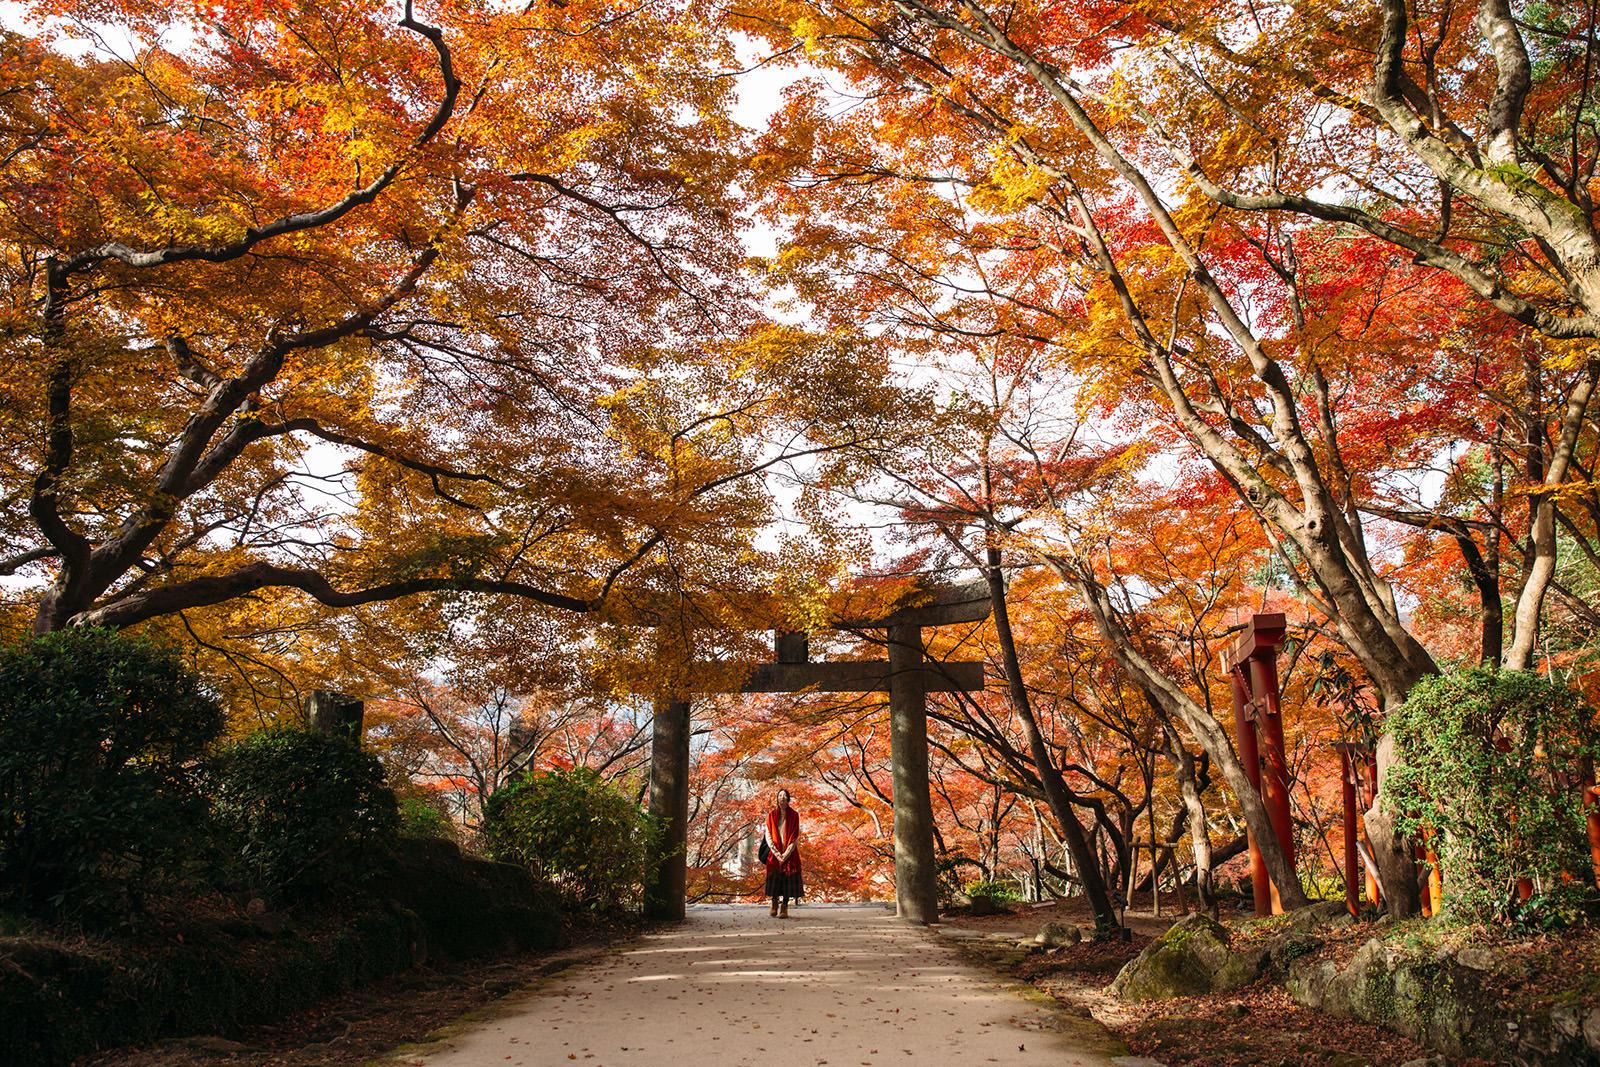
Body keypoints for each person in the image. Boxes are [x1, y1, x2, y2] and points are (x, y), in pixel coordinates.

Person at [763, 788, 803, 918]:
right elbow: (768, 836)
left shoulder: (794, 815)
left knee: (787, 878)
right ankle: (774, 903)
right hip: (775, 853)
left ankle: (784, 907)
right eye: (780, 795)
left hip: (790, 852)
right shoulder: (770, 815)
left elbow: (795, 836)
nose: (782, 797)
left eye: (785, 795)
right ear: (777, 799)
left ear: (788, 799)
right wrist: (776, 853)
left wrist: (785, 854)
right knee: (775, 877)